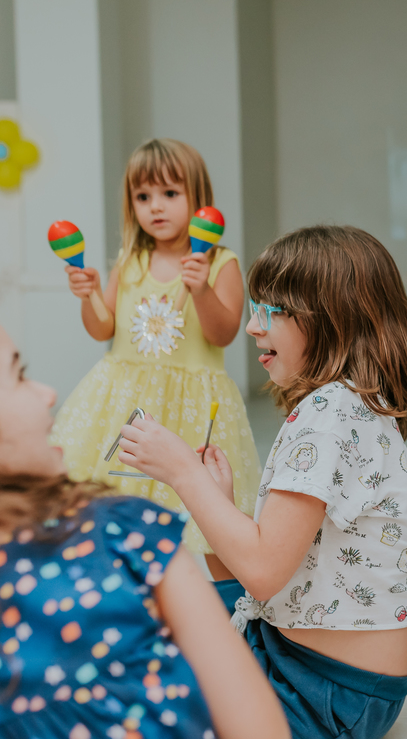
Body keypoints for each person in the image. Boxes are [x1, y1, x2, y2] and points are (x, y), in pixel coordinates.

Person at [116, 226, 407, 739]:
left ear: (333, 317)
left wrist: (183, 473)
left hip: (322, 694)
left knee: (136, 696)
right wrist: (214, 502)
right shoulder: (347, 405)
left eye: (273, 310)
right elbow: (269, 569)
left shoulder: (327, 414)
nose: (252, 327)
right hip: (329, 678)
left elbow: (261, 574)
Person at [0, 324, 289, 739]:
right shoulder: (126, 532)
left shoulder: (124, 532)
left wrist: (197, 485)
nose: (47, 393)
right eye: (19, 376)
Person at [49, 138, 259, 578]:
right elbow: (102, 329)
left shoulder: (220, 262)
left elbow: (224, 332)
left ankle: (232, 609)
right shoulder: (130, 262)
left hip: (194, 404)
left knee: (211, 512)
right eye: (143, 197)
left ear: (197, 198)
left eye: (169, 194)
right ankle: (126, 592)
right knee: (115, 501)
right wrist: (87, 296)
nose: (155, 207)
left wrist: (200, 287)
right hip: (125, 402)